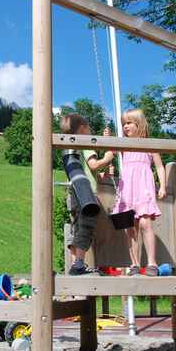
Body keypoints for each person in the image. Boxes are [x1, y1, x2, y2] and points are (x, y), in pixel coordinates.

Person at [113, 108, 166, 276]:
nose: (125, 126)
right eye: (123, 124)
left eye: (129, 123)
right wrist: (107, 137)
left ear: (139, 124)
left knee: (145, 223)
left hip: (143, 187)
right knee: (129, 227)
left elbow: (159, 166)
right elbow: (110, 150)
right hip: (126, 189)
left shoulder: (149, 144)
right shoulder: (123, 145)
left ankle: (152, 263)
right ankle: (134, 263)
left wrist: (162, 185)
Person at [60, 113, 115, 275]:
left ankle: (75, 264)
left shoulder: (71, 146)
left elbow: (86, 170)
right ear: (83, 129)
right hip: (85, 193)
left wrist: (100, 176)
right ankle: (78, 264)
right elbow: (93, 164)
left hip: (74, 190)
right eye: (89, 128)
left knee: (77, 227)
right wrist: (108, 157)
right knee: (86, 226)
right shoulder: (85, 143)